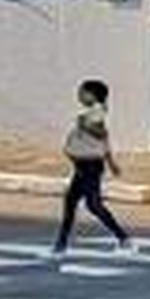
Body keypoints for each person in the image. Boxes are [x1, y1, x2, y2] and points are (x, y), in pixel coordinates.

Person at [50, 83, 130, 259]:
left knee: (92, 204)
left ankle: (123, 238)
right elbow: (104, 140)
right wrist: (111, 163)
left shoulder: (96, 111)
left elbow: (100, 133)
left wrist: (84, 126)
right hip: (84, 166)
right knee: (71, 201)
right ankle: (61, 244)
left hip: (90, 166)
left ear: (93, 95)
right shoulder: (92, 112)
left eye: (83, 92)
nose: (79, 95)